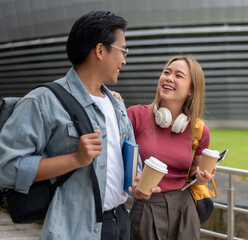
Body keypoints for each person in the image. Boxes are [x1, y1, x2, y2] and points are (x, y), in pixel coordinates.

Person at [0, 11, 142, 240]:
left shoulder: (117, 104)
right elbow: (5, 167)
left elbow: (132, 159)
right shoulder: (42, 102)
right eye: (122, 50)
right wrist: (75, 159)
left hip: (120, 223)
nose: (125, 59)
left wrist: (138, 180)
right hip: (74, 230)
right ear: (100, 50)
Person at [126, 55, 215, 240]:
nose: (168, 78)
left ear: (191, 89)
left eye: (178, 75)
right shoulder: (134, 116)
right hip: (146, 206)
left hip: (184, 208)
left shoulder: (200, 131)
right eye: (166, 72)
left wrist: (201, 178)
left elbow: (193, 174)